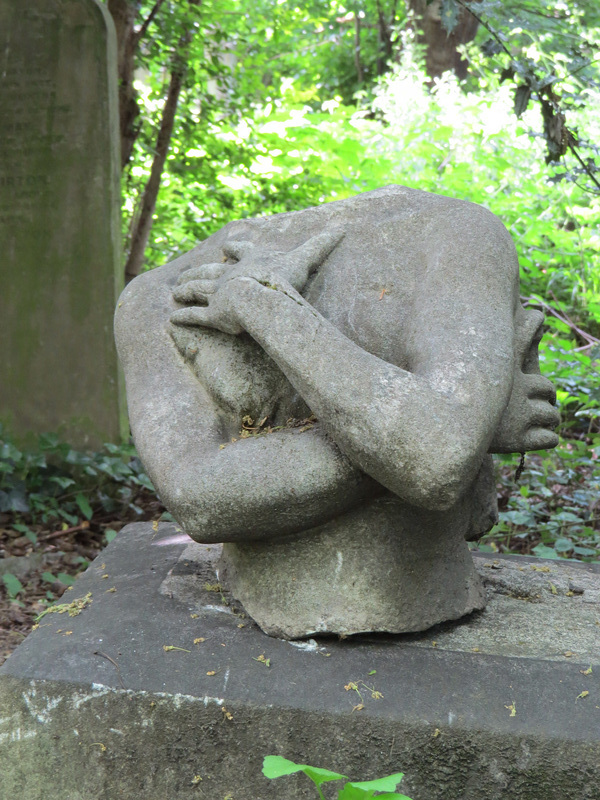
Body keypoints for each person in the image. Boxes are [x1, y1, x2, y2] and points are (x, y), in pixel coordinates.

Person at [115, 186, 558, 637]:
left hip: (429, 588)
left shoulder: (456, 235)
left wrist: (265, 307)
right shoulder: (156, 298)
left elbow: (440, 454)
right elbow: (201, 502)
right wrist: (463, 426)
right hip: (288, 593)